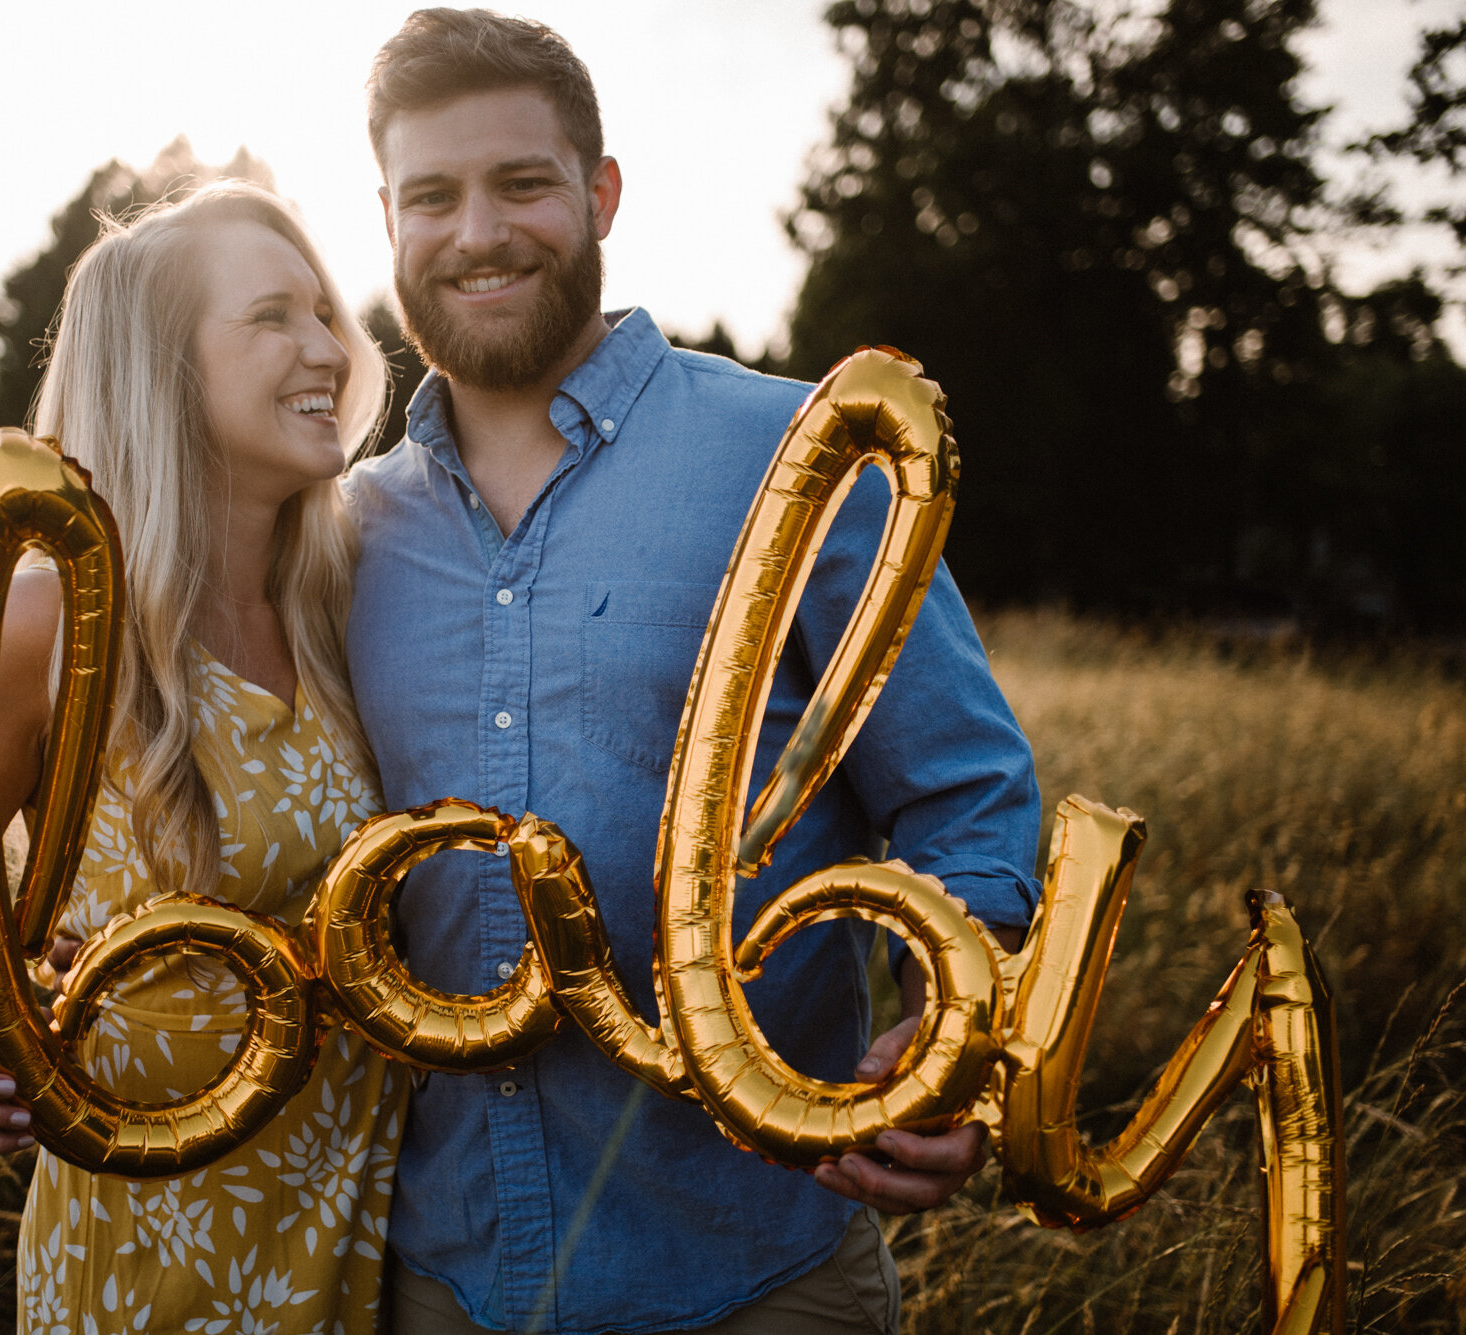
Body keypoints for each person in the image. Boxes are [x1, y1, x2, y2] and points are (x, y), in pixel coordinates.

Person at [341, 10, 1043, 1334]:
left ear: (602, 193)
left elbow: (968, 797)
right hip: (439, 1279)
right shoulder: (339, 531)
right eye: (432, 195)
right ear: (386, 217)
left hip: (757, 1276)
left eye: (524, 183)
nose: (477, 230)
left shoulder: (797, 456)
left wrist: (954, 1040)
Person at [0, 180, 405, 1335]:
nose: (328, 346)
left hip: (361, 1248)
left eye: (322, 310)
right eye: (271, 317)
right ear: (161, 370)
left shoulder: (348, 598)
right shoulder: (43, 625)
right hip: (149, 1264)